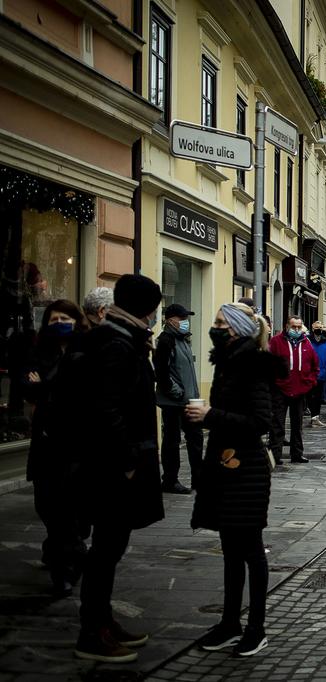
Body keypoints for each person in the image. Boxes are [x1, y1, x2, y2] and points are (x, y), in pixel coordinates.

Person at [73, 274, 164, 663]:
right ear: (148, 308)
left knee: (111, 546)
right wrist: (127, 459)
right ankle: (93, 632)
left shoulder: (118, 337)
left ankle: (102, 621)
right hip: (113, 465)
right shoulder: (116, 343)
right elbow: (106, 406)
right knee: (106, 548)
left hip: (114, 460)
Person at [187, 302, 276, 658]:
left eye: (221, 323)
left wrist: (211, 414)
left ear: (237, 328)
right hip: (227, 468)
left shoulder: (251, 367)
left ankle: (256, 629)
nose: (215, 327)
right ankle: (229, 623)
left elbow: (260, 422)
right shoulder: (229, 363)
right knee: (230, 552)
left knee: (250, 551)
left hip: (247, 471)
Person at [24, 299, 89, 596]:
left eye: (65, 317)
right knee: (46, 505)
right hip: (46, 442)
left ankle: (66, 567)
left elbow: (83, 393)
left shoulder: (86, 351)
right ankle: (67, 550)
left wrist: (45, 388)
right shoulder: (41, 352)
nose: (59, 322)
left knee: (69, 507)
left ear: (76, 320)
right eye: (53, 319)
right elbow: (29, 391)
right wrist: (43, 389)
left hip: (78, 443)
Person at [154, 303, 203, 494]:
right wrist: (176, 392)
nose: (185, 322)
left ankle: (198, 479)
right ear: (170, 320)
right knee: (172, 441)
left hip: (188, 400)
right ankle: (170, 480)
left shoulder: (182, 339)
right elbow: (162, 371)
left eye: (186, 319)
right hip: (173, 402)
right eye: (182, 319)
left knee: (195, 439)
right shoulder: (166, 340)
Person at [267, 316, 318, 464]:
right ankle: (275, 456)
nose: (296, 329)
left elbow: (315, 365)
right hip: (280, 390)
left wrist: (310, 382)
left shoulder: (306, 343)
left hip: (300, 390)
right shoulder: (276, 342)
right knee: (277, 425)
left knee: (298, 425)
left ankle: (297, 454)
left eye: (299, 327)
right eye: (294, 326)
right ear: (287, 326)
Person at [308, 322, 326, 428]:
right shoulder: (307, 340)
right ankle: (312, 415)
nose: (318, 329)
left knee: (318, 396)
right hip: (309, 373)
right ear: (312, 328)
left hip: (322, 372)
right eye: (316, 327)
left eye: (320, 328)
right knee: (309, 395)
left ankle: (316, 417)